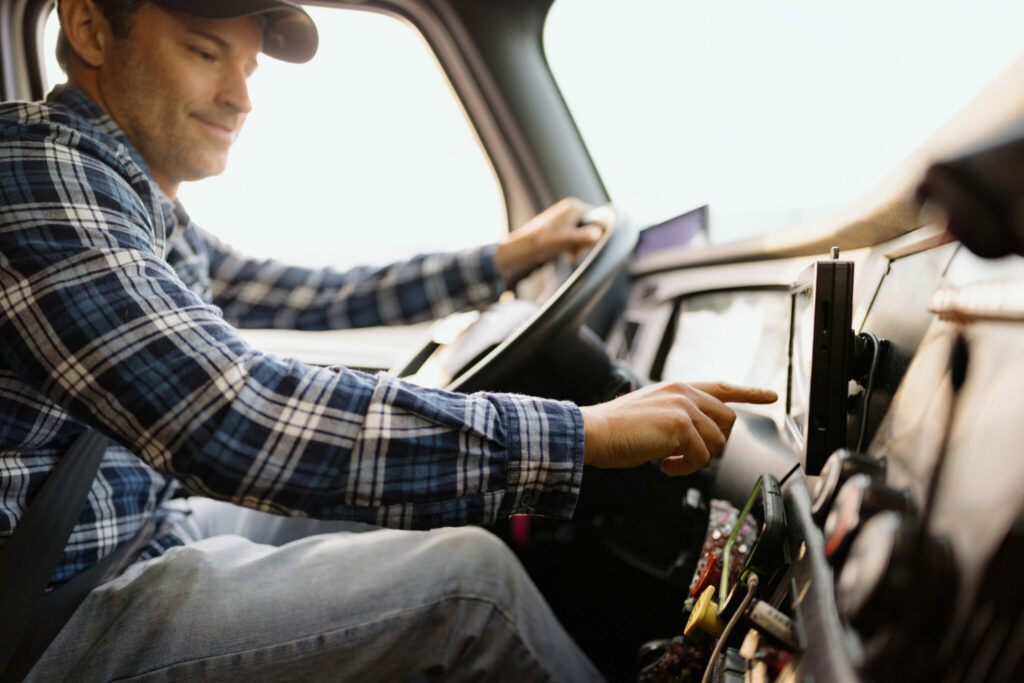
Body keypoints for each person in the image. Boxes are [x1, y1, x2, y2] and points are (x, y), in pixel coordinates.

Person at [0, 0, 777, 680]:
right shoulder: (37, 174)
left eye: (249, 66)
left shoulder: (132, 199)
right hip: (49, 611)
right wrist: (582, 433)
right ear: (91, 26)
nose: (239, 96)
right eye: (206, 53)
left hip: (142, 527)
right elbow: (236, 418)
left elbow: (307, 294)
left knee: (417, 511)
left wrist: (504, 259)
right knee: (471, 589)